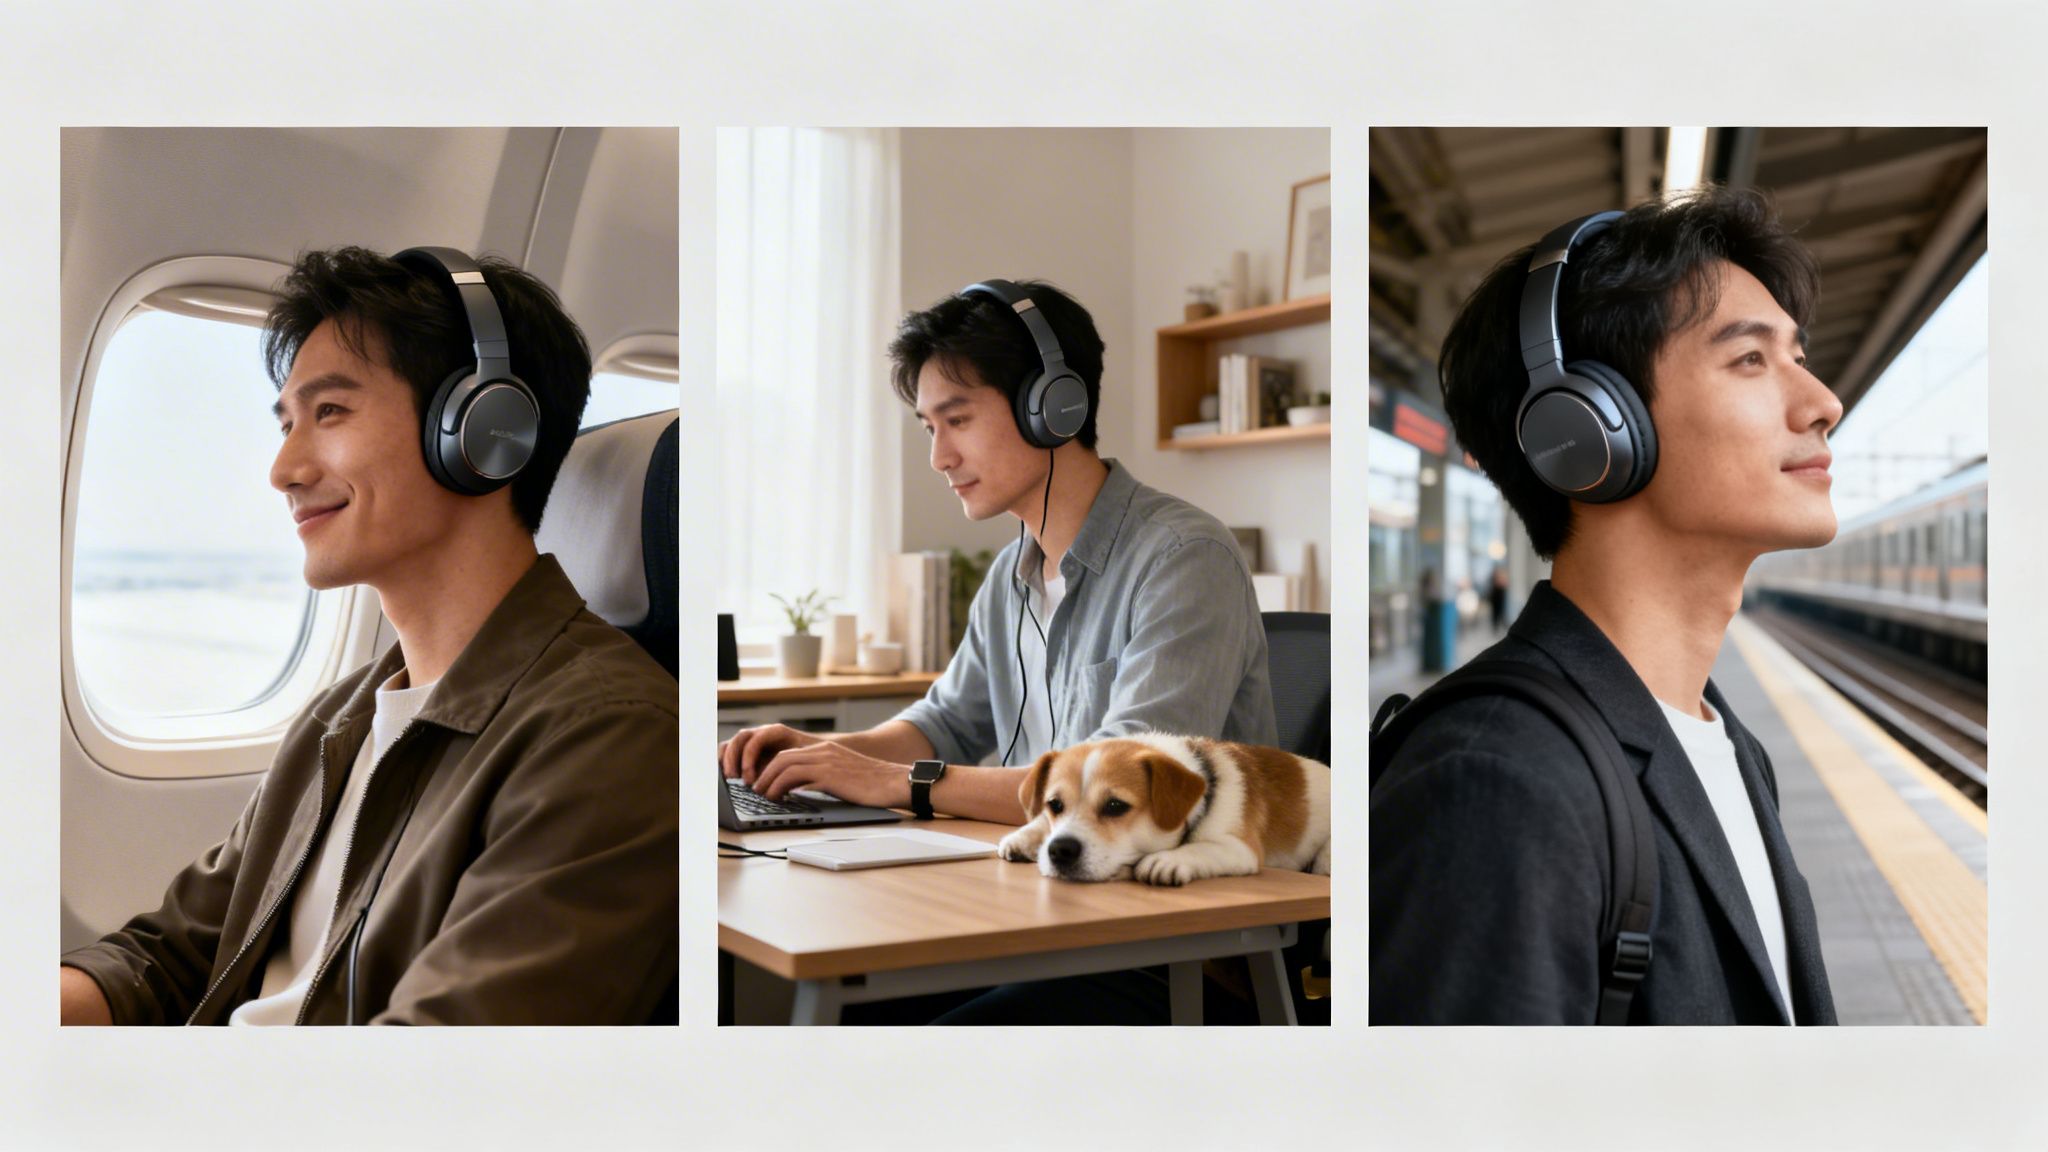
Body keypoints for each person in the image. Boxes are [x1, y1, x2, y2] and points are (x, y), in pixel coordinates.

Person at [61, 247, 679, 1025]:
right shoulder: (338, 720)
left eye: (329, 413)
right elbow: (172, 956)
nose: (283, 468)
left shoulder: (611, 743)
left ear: (487, 431)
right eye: (287, 424)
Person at [720, 279, 1276, 1023]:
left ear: (1054, 407)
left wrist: (899, 783)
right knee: (860, 1016)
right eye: (927, 427)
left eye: (957, 419)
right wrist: (814, 753)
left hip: (1171, 944)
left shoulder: (1184, 556)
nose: (939, 456)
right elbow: (944, 724)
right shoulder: (1011, 575)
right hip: (1052, 909)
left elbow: (1124, 786)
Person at [1371, 187, 1840, 1025]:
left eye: (1799, 357)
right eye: (1750, 360)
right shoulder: (1494, 786)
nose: (1821, 403)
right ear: (1587, 430)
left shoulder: (1728, 745)